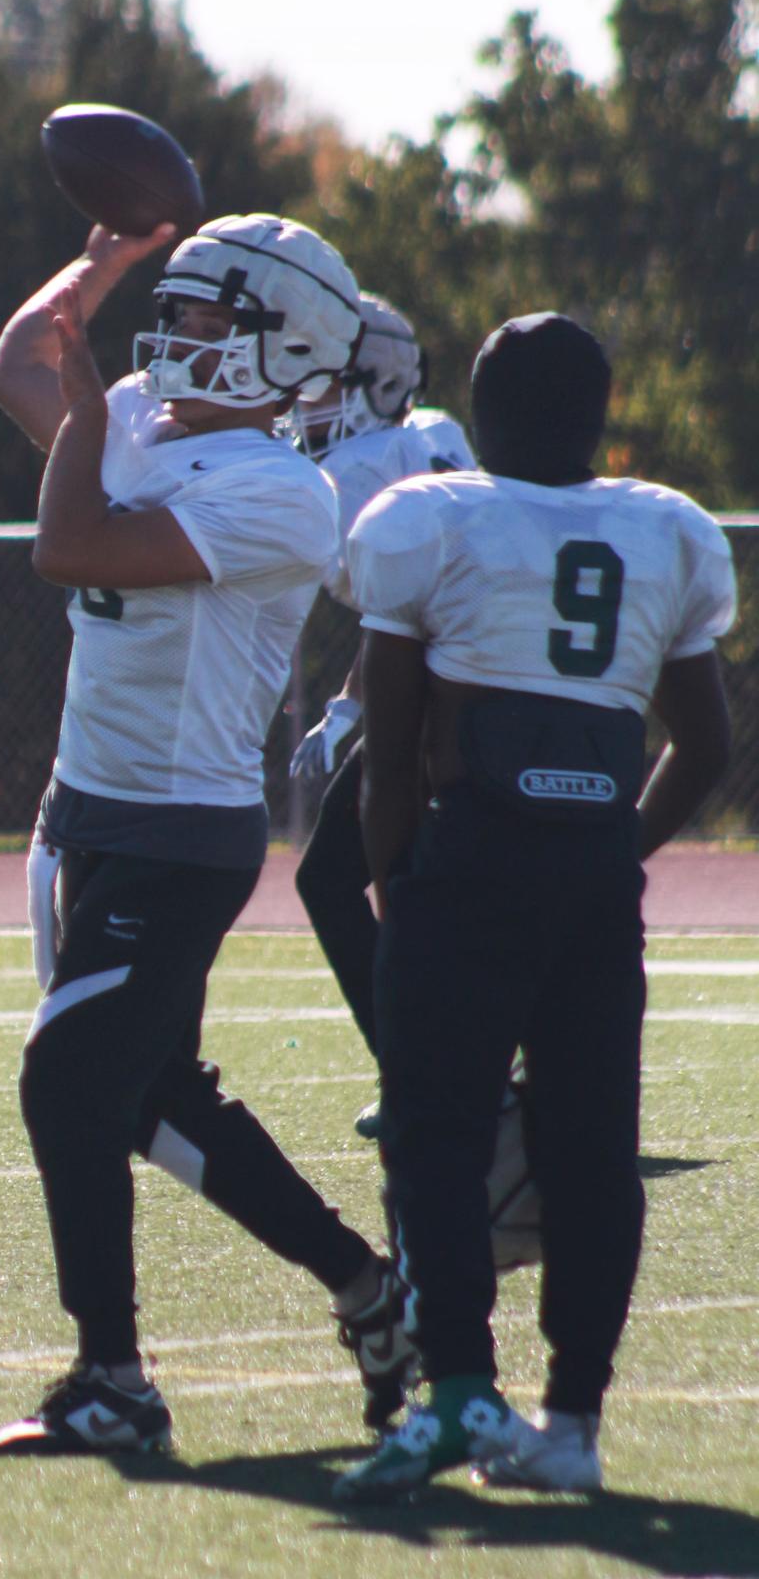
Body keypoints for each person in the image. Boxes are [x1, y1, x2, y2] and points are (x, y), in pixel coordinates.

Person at [0, 213, 418, 1455]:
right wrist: (102, 260)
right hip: (78, 817)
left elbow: (65, 548)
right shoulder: (134, 413)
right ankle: (369, 1290)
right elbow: (12, 364)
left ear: (289, 350)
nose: (172, 335)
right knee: (140, 1097)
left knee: (67, 1083)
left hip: (179, 835)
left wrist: (79, 419)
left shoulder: (283, 491)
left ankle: (112, 1379)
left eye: (206, 317)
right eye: (168, 310)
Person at [331, 311, 735, 1502]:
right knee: (589, 1144)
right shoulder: (665, 529)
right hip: (587, 879)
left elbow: (391, 744)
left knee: (433, 1134)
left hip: (469, 864)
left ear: (480, 406)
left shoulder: (430, 519)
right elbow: (703, 744)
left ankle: (457, 1393)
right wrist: (616, 847)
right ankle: (571, 1422)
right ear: (601, 412)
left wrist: (393, 882)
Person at [290, 295, 475, 1099]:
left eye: (321, 381)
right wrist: (349, 701)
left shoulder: (347, 476)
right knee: (435, 885)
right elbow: (400, 613)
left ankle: (418, 1071)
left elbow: (397, 618)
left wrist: (353, 709)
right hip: (478, 680)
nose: (302, 399)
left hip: (436, 705)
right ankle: (465, 1064)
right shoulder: (433, 434)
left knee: (348, 880)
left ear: (376, 383)